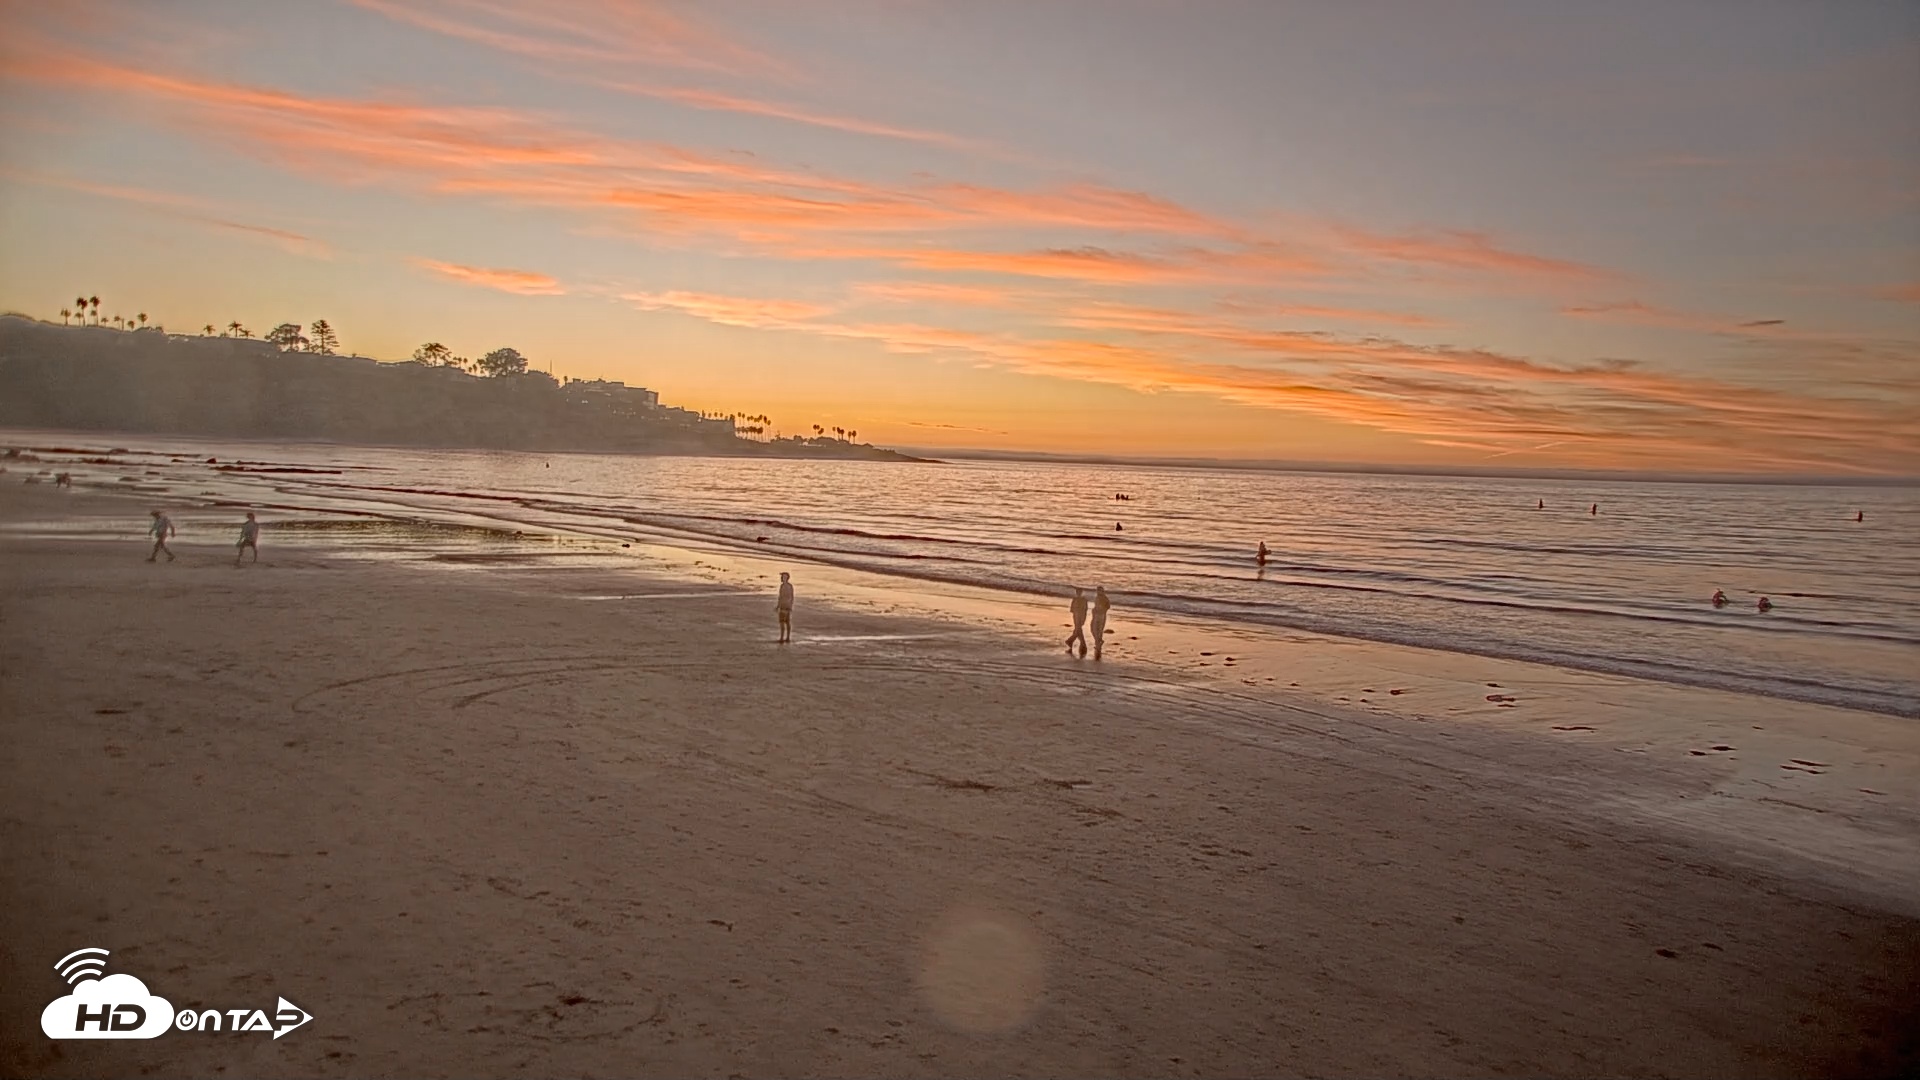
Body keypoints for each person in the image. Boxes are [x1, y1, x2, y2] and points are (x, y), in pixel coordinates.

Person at [1066, 587, 1089, 657]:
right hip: (1076, 616)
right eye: (1077, 592)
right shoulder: (1075, 599)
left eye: (1079, 592)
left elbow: (1085, 610)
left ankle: (1071, 640)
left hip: (1080, 616)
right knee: (1078, 630)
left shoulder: (1084, 600)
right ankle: (1082, 644)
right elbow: (1072, 609)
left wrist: (1083, 618)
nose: (1078, 593)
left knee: (1078, 630)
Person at [1090, 586, 1112, 660]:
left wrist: (1103, 610)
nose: (1098, 592)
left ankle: (1098, 644)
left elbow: (1108, 606)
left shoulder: (1104, 598)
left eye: (1100, 591)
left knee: (1098, 630)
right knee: (1094, 629)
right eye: (1098, 590)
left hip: (1101, 615)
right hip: (1096, 615)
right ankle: (1098, 642)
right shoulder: (1097, 597)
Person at [776, 571, 794, 643]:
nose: (783, 578)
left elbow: (790, 597)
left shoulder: (785, 586)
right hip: (785, 605)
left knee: (784, 622)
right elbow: (781, 597)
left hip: (785, 605)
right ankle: (786, 637)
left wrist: (789, 605)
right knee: (785, 622)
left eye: (784, 577)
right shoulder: (786, 586)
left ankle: (784, 637)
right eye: (782, 577)